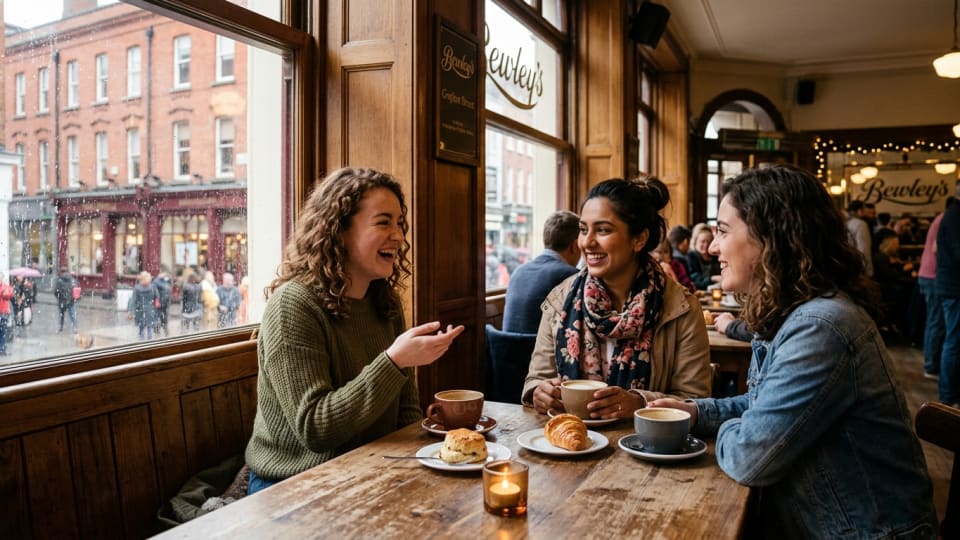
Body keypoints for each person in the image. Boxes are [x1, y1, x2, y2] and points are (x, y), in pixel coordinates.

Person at [648, 166, 937, 538]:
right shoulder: (793, 313)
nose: (715, 246)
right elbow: (763, 408)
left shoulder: (820, 325)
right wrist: (693, 413)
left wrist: (746, 428)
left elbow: (748, 457)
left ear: (771, 237)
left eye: (722, 230)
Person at [245, 167, 465, 495]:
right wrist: (393, 362)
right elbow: (315, 428)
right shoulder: (293, 305)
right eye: (383, 222)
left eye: (399, 224)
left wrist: (424, 459)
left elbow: (406, 410)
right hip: (291, 484)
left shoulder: (383, 302)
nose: (399, 236)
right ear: (339, 229)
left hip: (368, 469)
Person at [522, 176, 711, 417]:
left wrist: (640, 403)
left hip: (644, 447)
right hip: (571, 445)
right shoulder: (560, 300)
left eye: (602, 230)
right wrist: (539, 392)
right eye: (583, 230)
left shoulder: (681, 307)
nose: (587, 242)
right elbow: (536, 379)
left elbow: (696, 400)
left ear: (639, 239)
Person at [502, 210, 581, 334]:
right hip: (540, 351)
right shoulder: (571, 275)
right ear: (576, 245)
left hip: (505, 351)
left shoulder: (519, 271)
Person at [917, 198, 952, 379]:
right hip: (933, 276)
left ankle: (931, 364)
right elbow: (937, 249)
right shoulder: (948, 219)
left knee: (935, 322)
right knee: (936, 322)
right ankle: (931, 366)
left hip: (928, 275)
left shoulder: (941, 218)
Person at [936, 183, 960, 408]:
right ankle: (947, 396)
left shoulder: (951, 215)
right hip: (954, 287)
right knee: (954, 341)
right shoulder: (954, 217)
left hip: (950, 285)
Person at [685, 225, 721, 290]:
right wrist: (712, 278)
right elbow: (695, 282)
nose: (706, 244)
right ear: (695, 242)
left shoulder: (715, 257)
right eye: (703, 241)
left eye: (709, 242)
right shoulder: (690, 256)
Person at [128, 271, 159, 340]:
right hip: (148, 309)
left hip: (141, 309)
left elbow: (133, 299)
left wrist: (130, 311)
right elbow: (157, 296)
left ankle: (142, 339)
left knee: (143, 326)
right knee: (148, 326)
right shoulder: (152, 286)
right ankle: (147, 339)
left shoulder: (137, 288)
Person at [845, 200, 873, 276]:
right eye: (864, 209)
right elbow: (863, 249)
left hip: (846, 264)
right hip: (858, 266)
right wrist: (868, 271)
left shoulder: (845, 222)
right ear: (859, 210)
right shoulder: (860, 224)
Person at [53, 268, 79, 334]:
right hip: (70, 301)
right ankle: (75, 328)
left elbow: (55, 291)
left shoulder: (59, 281)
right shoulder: (72, 280)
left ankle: (60, 328)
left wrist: (59, 297)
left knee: (61, 316)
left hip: (62, 301)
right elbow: (76, 288)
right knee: (72, 315)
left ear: (61, 272)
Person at [153, 271, 173, 336]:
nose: (164, 275)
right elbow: (155, 291)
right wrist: (157, 299)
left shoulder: (166, 280)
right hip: (160, 301)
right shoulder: (156, 281)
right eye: (163, 274)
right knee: (158, 316)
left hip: (166, 302)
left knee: (164, 316)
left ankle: (165, 328)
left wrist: (169, 279)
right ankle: (157, 330)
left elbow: (170, 286)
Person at [0, 274, 13, 356]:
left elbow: (9, 294)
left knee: (3, 331)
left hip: (4, 312)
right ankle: (2, 349)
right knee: (2, 331)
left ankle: (2, 349)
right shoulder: (4, 287)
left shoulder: (5, 286)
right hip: (3, 312)